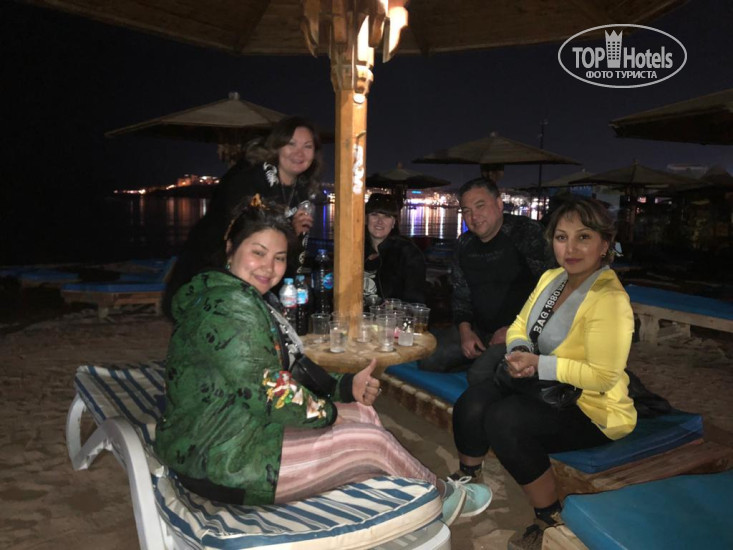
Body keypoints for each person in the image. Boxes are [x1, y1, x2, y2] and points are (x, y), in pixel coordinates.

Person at [154, 195, 491, 524]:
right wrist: (332, 412)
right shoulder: (230, 308)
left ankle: (395, 493)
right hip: (220, 460)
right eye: (258, 252)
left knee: (362, 414)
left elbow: (277, 370)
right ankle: (442, 499)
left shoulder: (236, 295)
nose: (269, 267)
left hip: (239, 427)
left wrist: (344, 388)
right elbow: (272, 393)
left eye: (279, 257)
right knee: (370, 442)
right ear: (231, 248)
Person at [450, 196, 636, 550]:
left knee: (505, 419)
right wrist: (520, 350)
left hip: (591, 408)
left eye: (583, 237)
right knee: (473, 400)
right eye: (562, 237)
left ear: (604, 244)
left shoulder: (609, 299)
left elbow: (603, 377)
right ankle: (468, 479)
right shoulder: (552, 278)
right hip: (544, 388)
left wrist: (538, 364)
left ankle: (549, 516)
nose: (571, 248)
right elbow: (520, 324)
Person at [163, 116, 322, 318]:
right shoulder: (248, 179)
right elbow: (242, 232)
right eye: (291, 144)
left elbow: (286, 248)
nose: (299, 153)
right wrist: (290, 230)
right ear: (276, 146)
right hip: (213, 271)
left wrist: (295, 234)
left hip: (257, 280)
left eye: (307, 146)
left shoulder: (301, 191)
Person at [419, 178, 552, 386]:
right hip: (479, 330)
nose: (474, 217)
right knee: (428, 359)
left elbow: (553, 289)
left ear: (499, 204)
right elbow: (461, 296)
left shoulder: (526, 233)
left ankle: (497, 365)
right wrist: (465, 332)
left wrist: (515, 329)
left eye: (480, 206)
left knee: (479, 377)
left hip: (522, 332)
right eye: (467, 211)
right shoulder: (464, 244)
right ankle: (483, 359)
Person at [363, 193, 426, 304]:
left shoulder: (408, 253)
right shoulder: (355, 249)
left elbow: (415, 299)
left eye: (387, 216)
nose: (380, 221)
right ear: (366, 219)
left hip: (391, 314)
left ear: (393, 223)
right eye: (374, 214)